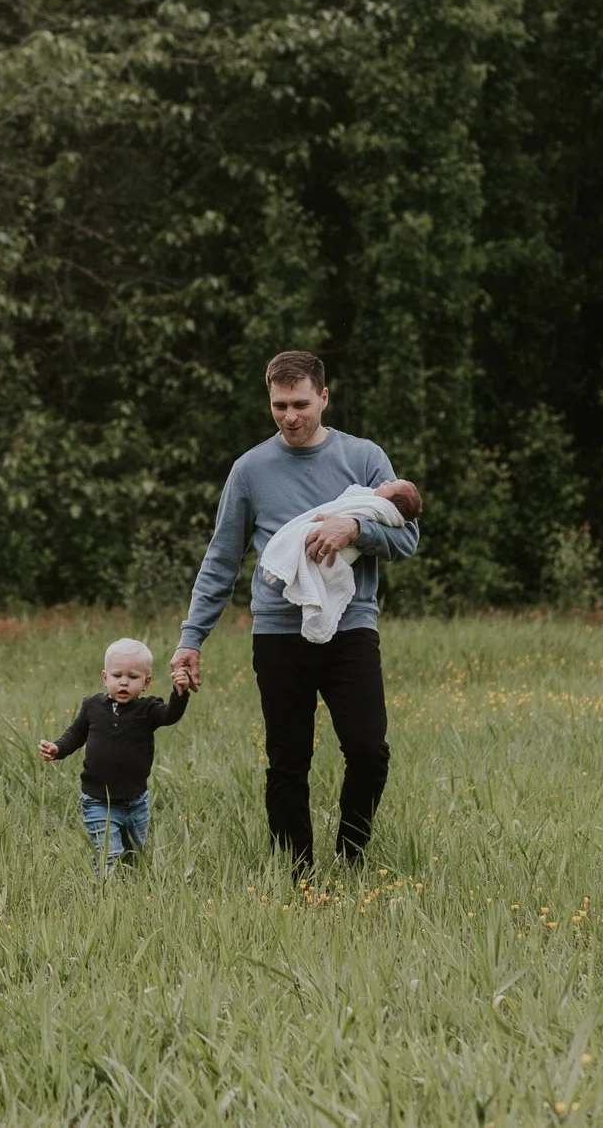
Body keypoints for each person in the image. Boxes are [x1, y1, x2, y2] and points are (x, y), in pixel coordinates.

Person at [169, 351, 420, 876]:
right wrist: (191, 638)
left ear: (323, 398)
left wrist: (355, 530)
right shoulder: (250, 470)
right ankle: (299, 875)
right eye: (279, 405)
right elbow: (221, 560)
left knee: (369, 751)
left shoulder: (365, 458)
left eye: (301, 403)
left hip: (351, 627)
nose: (290, 416)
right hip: (279, 633)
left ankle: (351, 859)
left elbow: (407, 537)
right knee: (288, 762)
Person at [38, 637, 190, 867]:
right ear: (105, 677)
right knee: (109, 853)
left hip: (136, 801)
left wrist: (180, 693)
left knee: (135, 855)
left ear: (146, 682)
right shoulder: (92, 706)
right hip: (98, 800)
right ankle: (105, 893)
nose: (124, 683)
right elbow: (76, 733)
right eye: (117, 676)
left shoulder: (148, 709)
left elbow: (171, 715)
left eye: (133, 677)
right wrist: (58, 748)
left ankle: (132, 887)